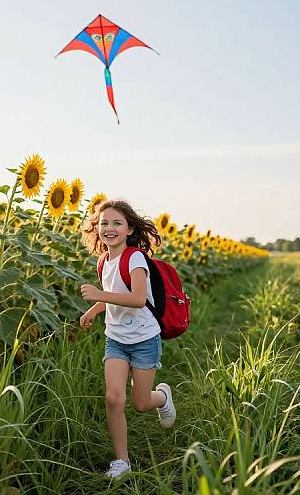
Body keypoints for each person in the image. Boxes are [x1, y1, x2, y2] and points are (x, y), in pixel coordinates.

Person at [79, 199, 176, 479]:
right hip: (116, 339)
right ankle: (122, 461)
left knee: (141, 403)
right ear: (96, 228)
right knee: (113, 398)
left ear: (130, 229)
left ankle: (163, 397)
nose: (109, 228)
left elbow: (135, 298)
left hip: (145, 339)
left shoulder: (134, 258)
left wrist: (98, 296)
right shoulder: (104, 261)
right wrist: (95, 309)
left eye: (117, 223)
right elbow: (113, 293)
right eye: (103, 223)